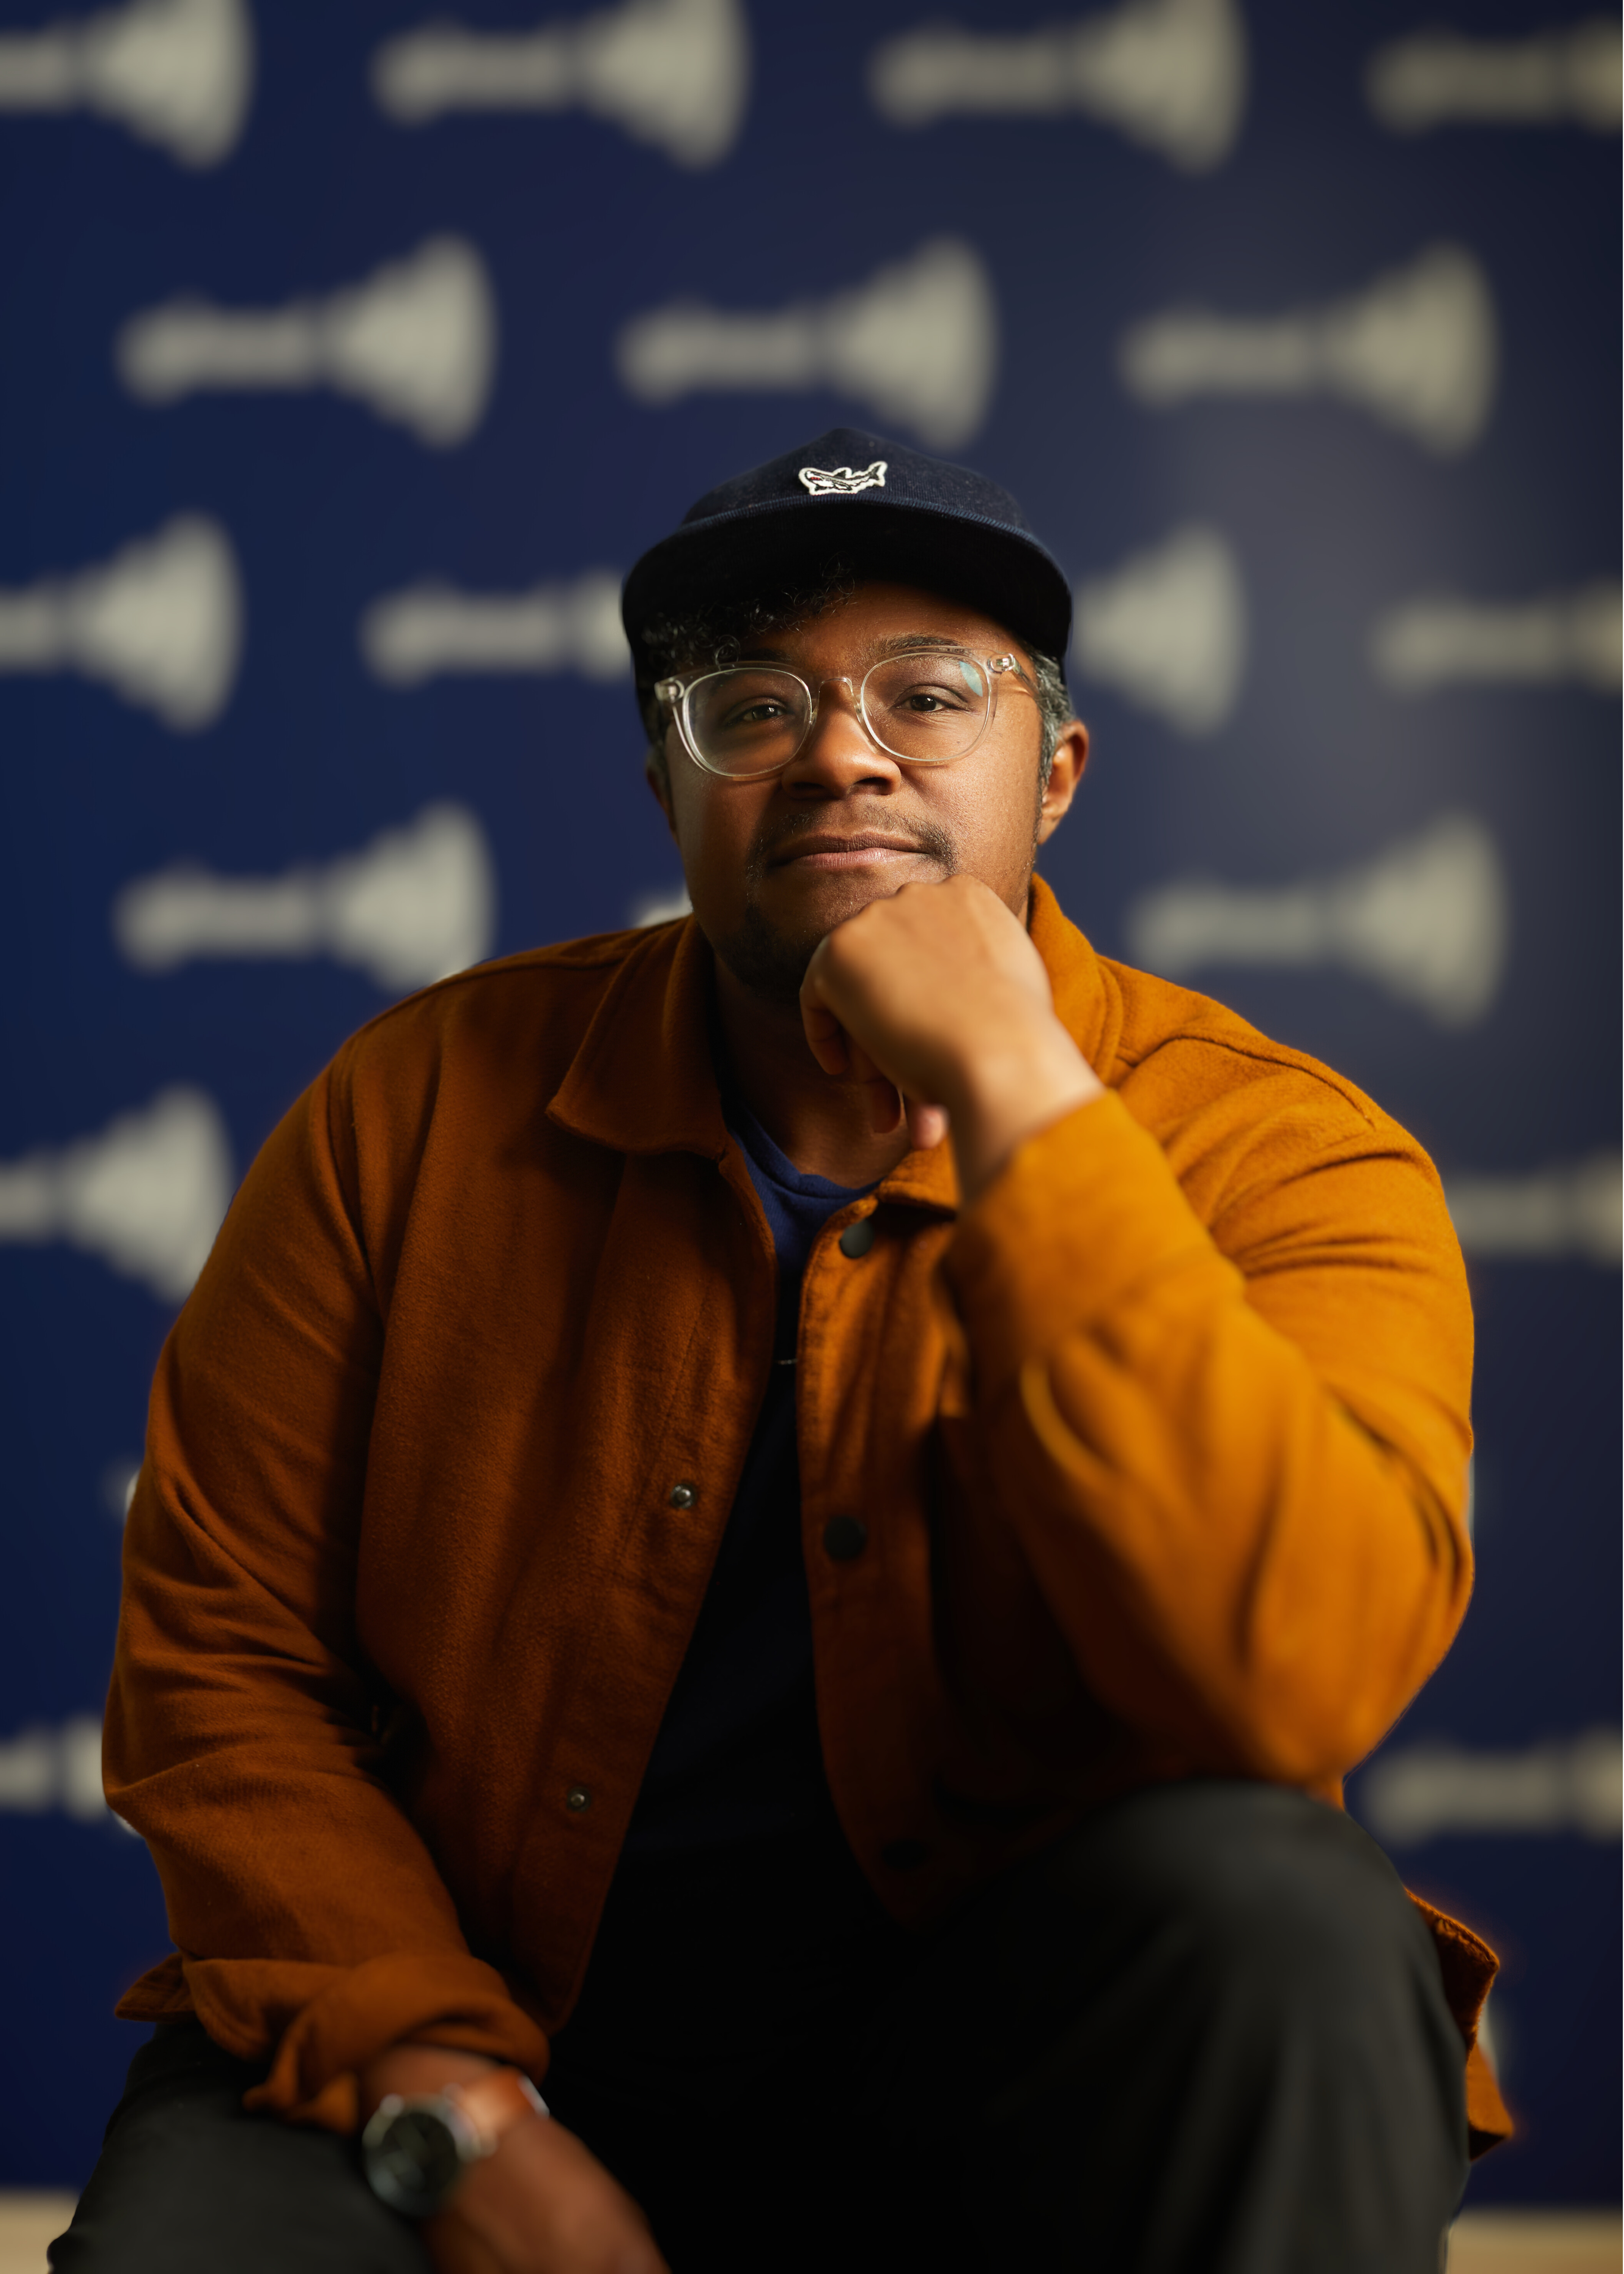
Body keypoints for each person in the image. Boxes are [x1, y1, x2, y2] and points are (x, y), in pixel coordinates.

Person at [53, 428, 1509, 2274]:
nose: (840, 749)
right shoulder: (407, 1111)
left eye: (930, 695)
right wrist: (468, 2115)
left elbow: (1287, 1674)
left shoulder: (1281, 1152)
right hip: (493, 2028)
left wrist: (1013, 1089)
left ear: (1053, 772)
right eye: (750, 707)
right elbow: (221, 1667)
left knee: (1294, 1923)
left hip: (998, 2073)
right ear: (668, 790)